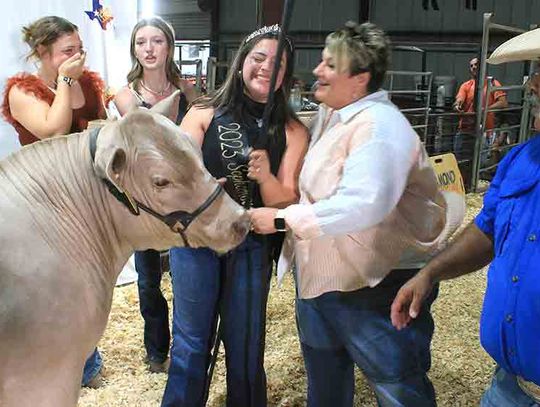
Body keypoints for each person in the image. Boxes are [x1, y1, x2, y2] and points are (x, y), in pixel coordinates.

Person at [250, 21, 456, 407]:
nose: (317, 70)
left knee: (397, 386)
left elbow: (363, 204)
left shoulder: (381, 129)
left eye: (330, 65)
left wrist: (280, 219)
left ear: (360, 79)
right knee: (325, 387)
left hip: (378, 287)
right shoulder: (332, 116)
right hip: (323, 280)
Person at [162, 24, 309, 407]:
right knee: (192, 343)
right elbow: (175, 171)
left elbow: (286, 200)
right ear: (242, 61)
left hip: (252, 245)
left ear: (286, 76)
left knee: (245, 346)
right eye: (258, 58)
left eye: (277, 64)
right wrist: (203, 181)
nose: (266, 68)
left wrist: (267, 176)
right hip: (197, 241)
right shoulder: (203, 113)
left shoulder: (292, 130)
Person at [390, 71, 540, 407]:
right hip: (510, 386)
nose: (531, 85)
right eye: (535, 74)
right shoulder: (522, 158)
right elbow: (487, 228)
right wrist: (429, 273)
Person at [1, 15, 106, 388]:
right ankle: (54, 364)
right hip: (41, 205)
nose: (78, 57)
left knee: (88, 284)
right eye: (67, 51)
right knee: (54, 289)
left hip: (88, 202)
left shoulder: (90, 84)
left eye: (80, 49)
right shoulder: (22, 91)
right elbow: (53, 131)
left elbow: (101, 133)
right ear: (43, 53)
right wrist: (64, 81)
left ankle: (87, 363)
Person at [113, 16, 197, 374]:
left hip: (187, 198)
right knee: (149, 279)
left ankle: (188, 349)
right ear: (134, 49)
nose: (148, 49)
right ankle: (156, 350)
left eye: (157, 41)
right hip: (145, 201)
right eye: (141, 42)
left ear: (169, 46)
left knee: (186, 277)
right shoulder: (126, 95)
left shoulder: (190, 89)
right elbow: (147, 143)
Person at [453, 57, 508, 161]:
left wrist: (485, 109)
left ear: (483, 67)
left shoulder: (493, 83)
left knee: (481, 163)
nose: (474, 67)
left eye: (476, 64)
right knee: (461, 161)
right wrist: (457, 106)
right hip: (465, 130)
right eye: (471, 65)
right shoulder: (466, 85)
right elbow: (459, 99)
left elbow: (503, 103)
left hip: (484, 131)